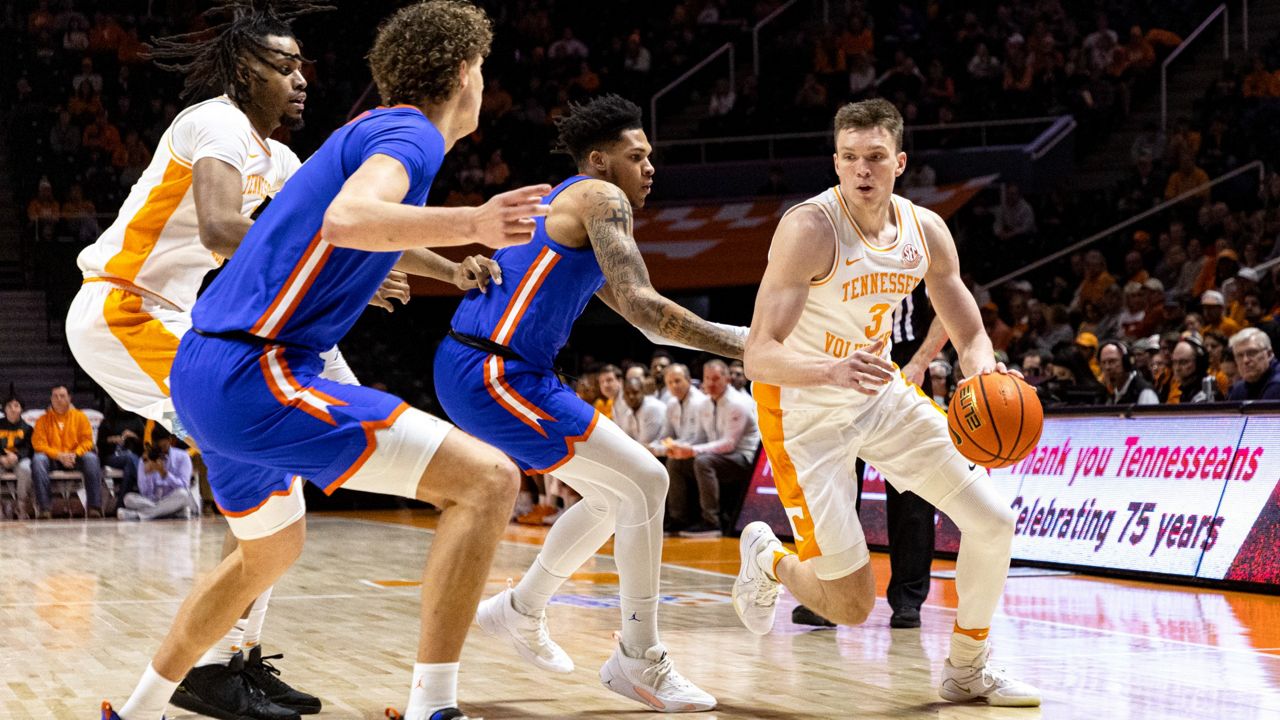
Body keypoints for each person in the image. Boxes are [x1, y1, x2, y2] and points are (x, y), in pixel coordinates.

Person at [102, 3, 549, 720]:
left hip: (205, 368)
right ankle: (436, 706)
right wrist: (473, 224)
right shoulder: (411, 134)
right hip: (256, 371)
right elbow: (347, 219)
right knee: (490, 481)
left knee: (268, 552)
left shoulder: (360, 133)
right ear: (465, 73)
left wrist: (430, 262)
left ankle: (137, 710)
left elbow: (325, 230)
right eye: (482, 68)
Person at [435, 94, 745, 713]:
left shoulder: (567, 208)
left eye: (652, 156)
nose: (651, 167)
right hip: (493, 370)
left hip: (500, 368)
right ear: (600, 161)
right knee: (649, 480)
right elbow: (647, 311)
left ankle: (520, 610)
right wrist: (745, 343)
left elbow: (629, 308)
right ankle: (637, 657)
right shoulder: (601, 199)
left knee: (615, 496)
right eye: (637, 156)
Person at [735, 99, 1039, 706]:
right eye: (850, 158)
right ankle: (769, 559)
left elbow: (970, 331)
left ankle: (967, 669)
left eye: (875, 157)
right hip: (802, 412)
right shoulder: (809, 229)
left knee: (993, 524)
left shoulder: (925, 231)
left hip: (878, 393)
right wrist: (833, 369)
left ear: (899, 163)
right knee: (850, 605)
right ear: (837, 163)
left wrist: (983, 376)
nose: (862, 170)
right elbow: (758, 356)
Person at [666, 359, 760, 538]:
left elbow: (729, 444)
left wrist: (693, 451)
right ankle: (679, 519)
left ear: (727, 379)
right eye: (707, 378)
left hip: (743, 458)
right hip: (719, 456)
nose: (711, 383)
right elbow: (700, 438)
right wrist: (682, 449)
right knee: (676, 462)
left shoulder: (738, 403)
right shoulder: (705, 404)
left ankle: (712, 522)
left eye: (716, 378)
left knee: (703, 461)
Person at [31, 385, 103, 518]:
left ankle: (94, 507)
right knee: (38, 460)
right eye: (55, 396)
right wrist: (58, 455)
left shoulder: (80, 417)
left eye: (62, 396)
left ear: (69, 398)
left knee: (91, 458)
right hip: (53, 458)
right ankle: (45, 509)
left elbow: (87, 441)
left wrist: (75, 454)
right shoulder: (42, 420)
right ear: (51, 399)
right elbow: (38, 444)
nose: (58, 399)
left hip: (76, 457)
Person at [118, 424, 200, 520]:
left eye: (164, 446)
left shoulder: (183, 457)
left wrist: (164, 474)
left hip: (175, 497)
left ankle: (138, 515)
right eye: (157, 446)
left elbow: (184, 486)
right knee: (128, 498)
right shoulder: (145, 459)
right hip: (155, 501)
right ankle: (171, 513)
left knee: (183, 494)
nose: (161, 451)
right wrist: (149, 474)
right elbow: (145, 492)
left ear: (170, 441)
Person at [0, 396, 34, 518]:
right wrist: (2, 457)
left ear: (21, 409)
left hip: (19, 460)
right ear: (4, 409)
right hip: (1, 459)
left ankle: (21, 505)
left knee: (26, 468)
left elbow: (29, 448)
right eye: (9, 406)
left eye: (16, 406)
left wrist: (17, 456)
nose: (13, 409)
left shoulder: (28, 428)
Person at [1226, 328, 1280, 400]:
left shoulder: (1277, 385)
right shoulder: (1238, 389)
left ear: (1269, 354)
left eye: (1252, 353)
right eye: (1239, 355)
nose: (1245, 360)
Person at [1099, 340, 1158, 404]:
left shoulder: (1145, 393)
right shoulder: (1111, 394)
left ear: (1126, 363)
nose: (1107, 367)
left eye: (1112, 361)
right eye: (1103, 363)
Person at [613, 376, 665, 447]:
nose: (631, 396)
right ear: (623, 396)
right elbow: (624, 440)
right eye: (627, 393)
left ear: (643, 392)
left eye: (635, 392)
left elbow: (644, 444)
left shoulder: (652, 408)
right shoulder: (629, 413)